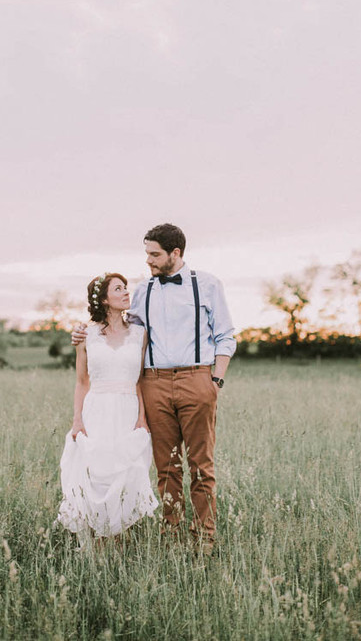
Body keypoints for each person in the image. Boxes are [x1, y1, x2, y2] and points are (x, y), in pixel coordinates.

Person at [72, 223, 236, 549]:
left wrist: (215, 379)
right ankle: (170, 539)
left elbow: (225, 336)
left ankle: (205, 541)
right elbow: (117, 324)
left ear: (175, 253)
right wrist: (82, 331)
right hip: (154, 384)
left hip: (196, 379)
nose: (148, 260)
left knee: (201, 466)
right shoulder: (144, 290)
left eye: (154, 254)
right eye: (147, 253)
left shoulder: (206, 284)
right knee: (166, 467)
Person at [57, 272, 158, 540]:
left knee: (127, 473)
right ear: (103, 299)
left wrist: (142, 418)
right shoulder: (85, 335)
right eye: (118, 289)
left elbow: (141, 381)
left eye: (126, 288)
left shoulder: (139, 333)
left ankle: (120, 541)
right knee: (94, 474)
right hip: (96, 409)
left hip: (127, 410)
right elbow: (81, 381)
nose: (126, 292)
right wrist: (77, 421)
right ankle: (94, 543)